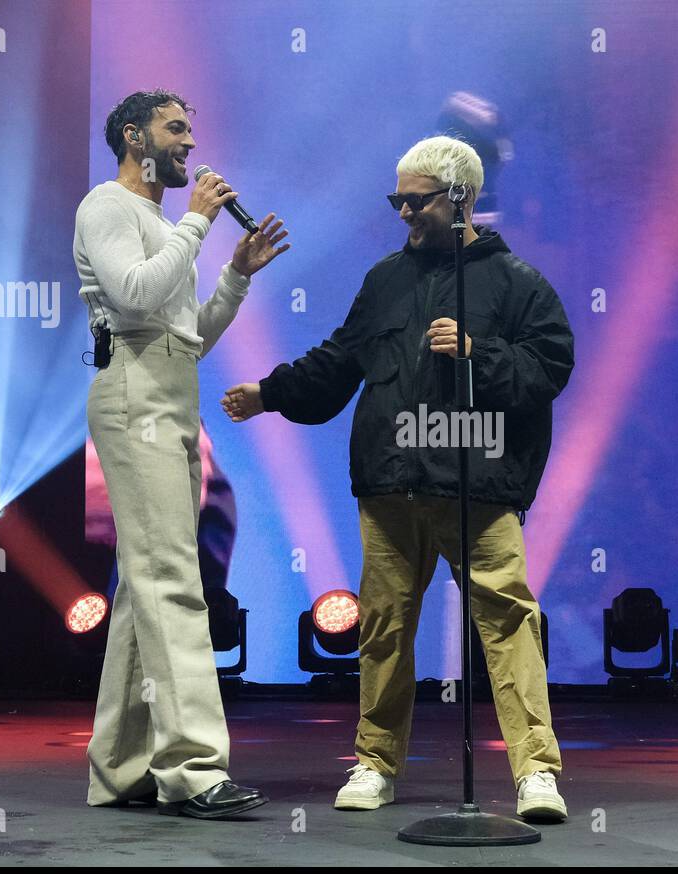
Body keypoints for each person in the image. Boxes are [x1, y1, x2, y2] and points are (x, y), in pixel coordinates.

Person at [222, 135, 573, 822]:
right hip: (390, 486)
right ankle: (375, 762)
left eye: (416, 200)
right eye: (397, 200)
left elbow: (548, 369)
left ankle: (537, 773)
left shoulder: (516, 283)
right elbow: (339, 360)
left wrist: (480, 354)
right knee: (383, 627)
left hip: (477, 484)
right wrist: (271, 392)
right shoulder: (386, 279)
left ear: (461, 198)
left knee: (507, 624)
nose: (404, 213)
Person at [73, 89, 289, 820]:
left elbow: (187, 334)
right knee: (172, 579)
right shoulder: (108, 206)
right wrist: (196, 221)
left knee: (145, 586)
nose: (189, 143)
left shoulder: (164, 225)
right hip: (134, 394)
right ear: (134, 137)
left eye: (190, 130)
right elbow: (134, 301)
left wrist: (235, 274)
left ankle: (121, 766)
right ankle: (194, 767)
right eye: (174, 129)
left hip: (171, 392)